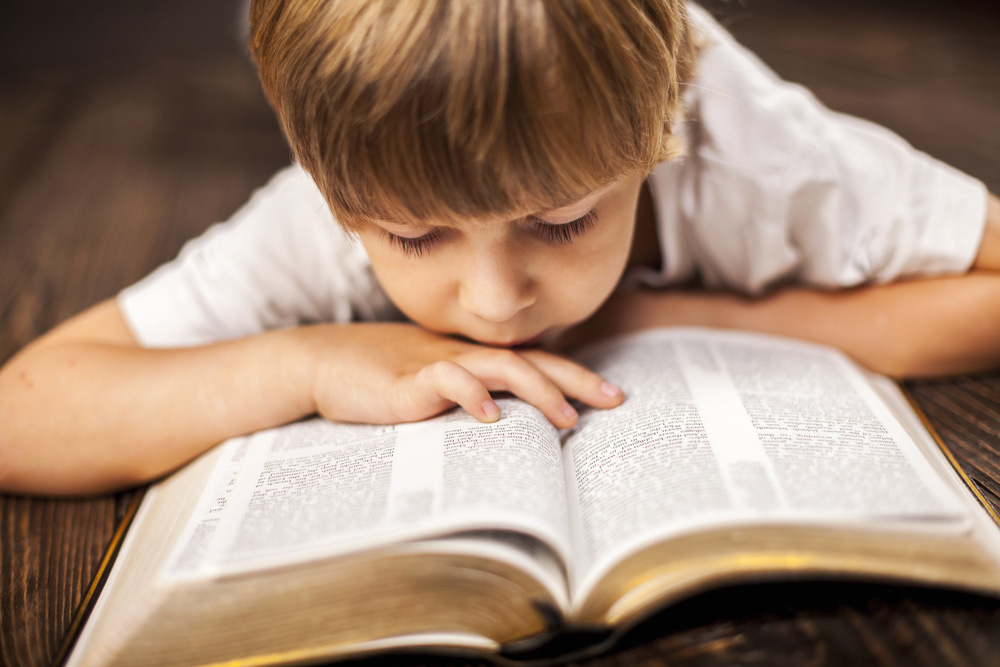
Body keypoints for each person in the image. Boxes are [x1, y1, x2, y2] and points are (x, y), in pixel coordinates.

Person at [1, 0, 998, 496]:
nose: (490, 301)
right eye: (412, 234)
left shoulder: (754, 151)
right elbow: (24, 413)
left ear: (657, 136)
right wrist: (314, 359)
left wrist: (670, 312)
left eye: (562, 221)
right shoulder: (324, 207)